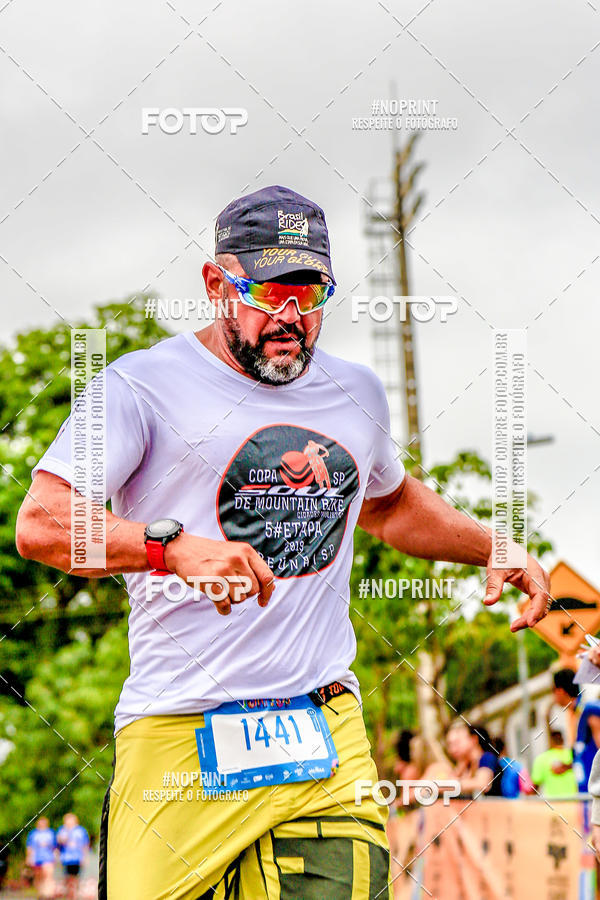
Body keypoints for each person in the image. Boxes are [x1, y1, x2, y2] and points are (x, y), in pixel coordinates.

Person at [15, 184, 551, 899]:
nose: (292, 317)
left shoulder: (354, 393)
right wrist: (168, 548)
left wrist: (494, 545)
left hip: (323, 731)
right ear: (216, 284)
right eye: (269, 293)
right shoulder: (140, 389)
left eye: (311, 293)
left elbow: (389, 507)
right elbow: (42, 522)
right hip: (179, 735)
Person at [552, 667, 600, 791]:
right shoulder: (577, 715)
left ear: (560, 691)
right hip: (586, 791)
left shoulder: (589, 712)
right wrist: (567, 766)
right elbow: (585, 755)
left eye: (553, 690)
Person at [446, 722, 504, 796]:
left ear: (474, 739)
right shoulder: (467, 763)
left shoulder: (487, 758)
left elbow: (483, 784)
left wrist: (453, 783)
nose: (452, 749)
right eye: (450, 745)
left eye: (457, 742)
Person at [531, 730, 577, 798]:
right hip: (576, 800)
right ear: (563, 739)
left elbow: (535, 787)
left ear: (550, 741)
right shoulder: (574, 755)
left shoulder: (541, 758)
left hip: (553, 802)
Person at [56, 813, 90, 899]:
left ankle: (74, 895)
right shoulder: (62, 830)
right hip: (66, 858)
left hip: (77, 858)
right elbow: (58, 843)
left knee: (75, 879)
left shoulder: (81, 831)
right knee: (68, 879)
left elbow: (85, 845)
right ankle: (69, 896)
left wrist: (84, 857)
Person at [25, 817, 56, 900]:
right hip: (36, 858)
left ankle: (48, 894)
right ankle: (41, 893)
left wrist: (56, 856)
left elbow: (55, 846)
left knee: (48, 875)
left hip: (48, 858)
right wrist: (28, 858)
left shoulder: (51, 833)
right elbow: (29, 847)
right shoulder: (33, 834)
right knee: (38, 877)